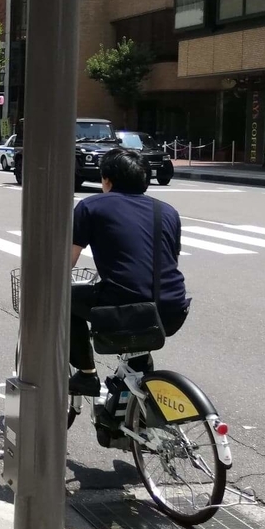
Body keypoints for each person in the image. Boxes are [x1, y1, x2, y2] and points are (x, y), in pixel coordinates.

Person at [69, 148, 190, 396]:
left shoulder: (90, 206)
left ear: (106, 179)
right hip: (172, 310)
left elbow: (66, 262)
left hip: (124, 309)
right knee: (139, 306)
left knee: (63, 300)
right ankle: (136, 393)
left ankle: (86, 374)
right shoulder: (167, 211)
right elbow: (166, 260)